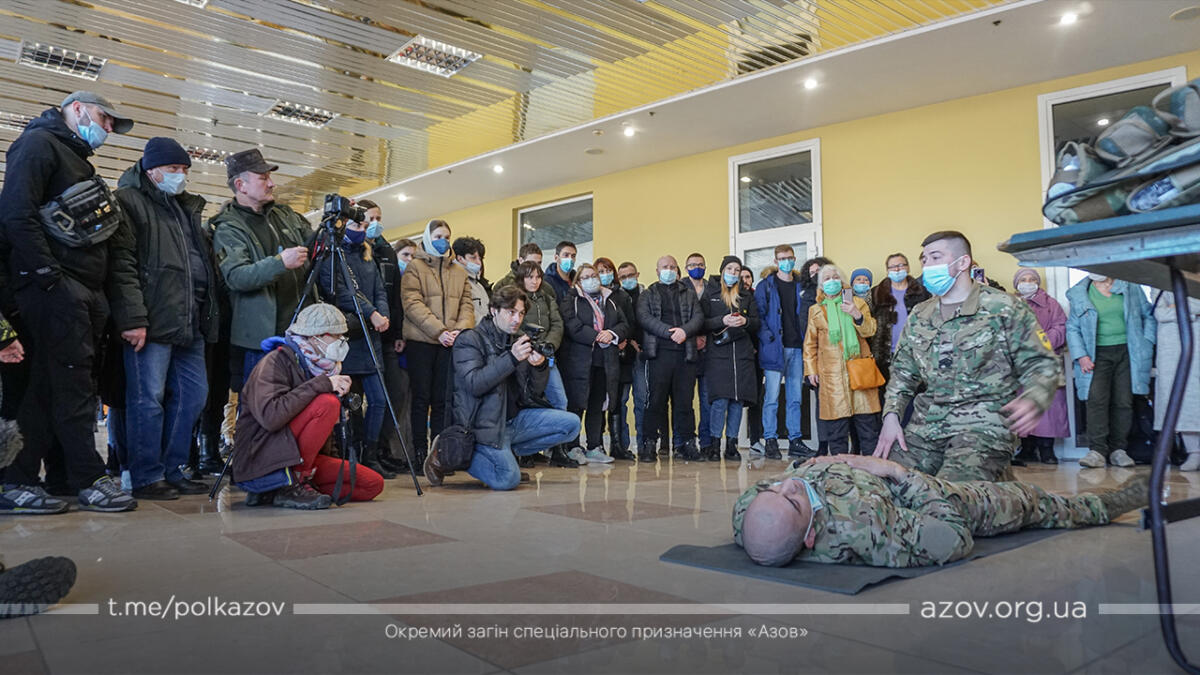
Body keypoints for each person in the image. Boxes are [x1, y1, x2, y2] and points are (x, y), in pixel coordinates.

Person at [0, 91, 140, 514]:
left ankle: (45, 477)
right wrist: (49, 275)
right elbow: (16, 214)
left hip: (77, 292)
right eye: (104, 117)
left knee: (58, 387)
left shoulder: (75, 158)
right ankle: (77, 478)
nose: (108, 128)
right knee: (62, 387)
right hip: (54, 290)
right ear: (76, 108)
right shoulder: (38, 144)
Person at [732, 453, 1147, 568]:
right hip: (921, 495)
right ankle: (1106, 504)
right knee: (1027, 501)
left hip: (860, 470)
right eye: (792, 499)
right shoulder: (867, 531)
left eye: (774, 489)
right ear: (810, 536)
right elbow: (953, 537)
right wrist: (897, 472)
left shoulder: (750, 513)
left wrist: (805, 470)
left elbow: (783, 485)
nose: (787, 486)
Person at [874, 231, 1061, 482]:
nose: (927, 265)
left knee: (952, 495)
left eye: (935, 257)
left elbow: (1042, 362)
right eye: (924, 259)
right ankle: (997, 487)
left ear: (963, 262)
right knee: (885, 486)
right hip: (927, 426)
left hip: (982, 427)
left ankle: (996, 487)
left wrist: (1034, 398)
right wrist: (891, 417)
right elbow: (903, 373)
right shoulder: (920, 314)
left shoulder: (1003, 307)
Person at [112, 137, 215, 500]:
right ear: (151, 170)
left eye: (185, 169)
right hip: (151, 319)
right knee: (147, 399)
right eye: (173, 169)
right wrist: (132, 317)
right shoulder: (129, 201)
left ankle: (173, 468)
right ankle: (146, 475)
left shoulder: (185, 208)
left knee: (193, 396)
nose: (180, 175)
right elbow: (122, 264)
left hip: (189, 319)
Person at [424, 286, 581, 490]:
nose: (517, 319)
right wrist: (511, 358)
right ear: (494, 310)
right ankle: (447, 454)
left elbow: (533, 392)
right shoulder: (470, 340)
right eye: (510, 312)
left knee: (572, 424)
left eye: (521, 313)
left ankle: (501, 459)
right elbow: (475, 384)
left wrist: (539, 367)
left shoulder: (517, 339)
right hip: (482, 428)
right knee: (507, 480)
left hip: (513, 421)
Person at [233, 303, 383, 508]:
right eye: (336, 336)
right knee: (327, 403)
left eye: (343, 336)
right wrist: (322, 385)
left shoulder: (324, 367)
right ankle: (290, 484)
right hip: (264, 452)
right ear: (315, 337)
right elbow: (270, 417)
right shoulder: (275, 361)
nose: (342, 341)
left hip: (302, 455)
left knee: (372, 484)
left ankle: (277, 489)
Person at [211, 149, 313, 394]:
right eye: (263, 178)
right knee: (260, 406)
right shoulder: (228, 227)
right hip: (259, 340)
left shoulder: (286, 216)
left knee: (298, 403)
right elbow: (237, 276)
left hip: (299, 334)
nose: (271, 183)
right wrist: (280, 263)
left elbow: (317, 248)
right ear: (240, 185)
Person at [316, 212, 394, 479]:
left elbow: (380, 290)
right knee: (350, 403)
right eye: (357, 224)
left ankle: (370, 455)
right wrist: (371, 313)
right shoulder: (332, 256)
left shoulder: (367, 255)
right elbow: (341, 291)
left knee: (379, 400)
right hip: (348, 337)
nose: (363, 229)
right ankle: (352, 454)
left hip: (371, 335)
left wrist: (382, 315)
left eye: (364, 225)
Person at [400, 219, 473, 465]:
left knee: (443, 400)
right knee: (421, 399)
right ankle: (420, 451)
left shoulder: (459, 272)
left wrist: (458, 331)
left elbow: (467, 305)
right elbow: (412, 304)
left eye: (447, 237)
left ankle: (439, 453)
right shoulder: (415, 267)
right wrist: (439, 331)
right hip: (422, 342)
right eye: (438, 236)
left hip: (450, 343)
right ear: (428, 238)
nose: (443, 241)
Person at [1066, 274, 1156, 469]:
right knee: (1096, 400)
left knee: (1123, 401)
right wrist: (1081, 355)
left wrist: (1147, 342)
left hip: (1127, 352)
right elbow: (1072, 328)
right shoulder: (1080, 293)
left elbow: (1148, 315)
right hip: (1095, 354)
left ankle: (1118, 450)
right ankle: (1097, 451)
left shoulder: (1130, 286)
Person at [754, 246, 825, 461]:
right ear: (776, 261)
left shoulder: (801, 285)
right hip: (775, 349)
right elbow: (759, 316)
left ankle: (795, 440)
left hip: (797, 348)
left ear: (794, 259)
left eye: (790, 258)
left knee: (795, 398)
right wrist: (768, 338)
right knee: (772, 398)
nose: (786, 261)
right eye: (782, 258)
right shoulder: (766, 286)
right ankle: (770, 440)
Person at [804, 265, 882, 455]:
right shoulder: (815, 310)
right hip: (831, 376)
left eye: (835, 277)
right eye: (827, 278)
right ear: (821, 285)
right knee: (836, 431)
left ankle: (872, 469)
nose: (832, 281)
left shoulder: (857, 303)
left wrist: (856, 314)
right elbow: (810, 344)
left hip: (859, 372)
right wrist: (811, 370)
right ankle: (841, 470)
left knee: (868, 429)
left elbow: (870, 330)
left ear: (842, 281)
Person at [359, 203, 413, 474]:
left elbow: (394, 297)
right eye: (371, 218)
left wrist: (398, 331)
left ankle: (380, 449)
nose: (376, 223)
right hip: (359, 334)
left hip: (388, 335)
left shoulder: (387, 251)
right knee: (364, 398)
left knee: (393, 393)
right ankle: (360, 451)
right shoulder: (353, 250)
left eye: (379, 218)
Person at [636, 255, 705, 462]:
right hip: (658, 354)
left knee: (685, 402)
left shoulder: (688, 293)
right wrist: (669, 332)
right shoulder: (648, 294)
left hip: (685, 354)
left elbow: (698, 317)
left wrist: (684, 331)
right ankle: (649, 444)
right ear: (657, 271)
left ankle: (687, 444)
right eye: (665, 267)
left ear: (678, 270)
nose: (669, 270)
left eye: (672, 267)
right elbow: (644, 318)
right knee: (655, 401)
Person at [559, 264, 628, 464]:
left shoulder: (610, 299)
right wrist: (597, 336)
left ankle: (594, 446)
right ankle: (572, 446)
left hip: (604, 359)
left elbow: (624, 324)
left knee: (596, 404)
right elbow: (572, 326)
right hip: (579, 360)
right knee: (577, 404)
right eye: (586, 277)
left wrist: (612, 334)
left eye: (594, 275)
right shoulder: (571, 299)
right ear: (578, 281)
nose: (592, 279)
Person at [700, 256, 759, 461]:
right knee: (720, 400)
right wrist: (721, 320)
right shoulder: (710, 294)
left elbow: (756, 322)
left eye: (737, 270)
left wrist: (745, 321)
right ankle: (715, 444)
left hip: (742, 354)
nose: (733, 273)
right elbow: (702, 322)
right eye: (730, 269)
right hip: (718, 354)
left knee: (737, 401)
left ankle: (732, 445)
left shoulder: (746, 296)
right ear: (722, 270)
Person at [1012, 268, 1069, 466]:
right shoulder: (1012, 303)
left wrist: (1041, 342)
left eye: (1032, 279)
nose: (1028, 283)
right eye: (1023, 279)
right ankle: (1027, 448)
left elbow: (1060, 328)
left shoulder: (1051, 304)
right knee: (1024, 403)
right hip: (1021, 361)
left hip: (1047, 360)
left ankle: (1047, 449)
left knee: (1050, 406)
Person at [595, 257, 637, 460]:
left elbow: (629, 323)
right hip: (599, 356)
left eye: (608, 270)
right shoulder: (591, 296)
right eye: (600, 271)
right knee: (598, 401)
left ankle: (618, 445)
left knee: (617, 401)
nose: (605, 274)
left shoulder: (621, 296)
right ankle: (597, 443)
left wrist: (621, 338)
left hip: (621, 356)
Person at [1153, 292, 1200, 471]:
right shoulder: (1160, 283)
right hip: (1171, 344)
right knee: (1181, 396)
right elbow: (1160, 313)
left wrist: (1176, 307)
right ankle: (1194, 451)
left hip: (1196, 339)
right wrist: (1193, 311)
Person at [869, 253, 930, 384]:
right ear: (887, 270)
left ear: (908, 268)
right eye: (892, 267)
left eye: (901, 265)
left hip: (915, 356)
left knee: (915, 394)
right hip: (885, 357)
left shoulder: (922, 292)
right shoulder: (876, 293)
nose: (897, 269)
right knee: (887, 394)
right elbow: (868, 324)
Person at [683, 253, 716, 456]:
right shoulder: (680, 287)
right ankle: (687, 442)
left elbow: (717, 315)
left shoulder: (713, 288)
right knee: (685, 401)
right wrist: (692, 336)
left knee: (707, 400)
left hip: (709, 351)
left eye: (701, 264)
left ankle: (706, 443)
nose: (697, 267)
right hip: (685, 351)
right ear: (686, 268)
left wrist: (704, 335)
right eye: (693, 264)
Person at [616, 261, 648, 454]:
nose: (627, 279)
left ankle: (644, 445)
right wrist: (628, 340)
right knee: (620, 402)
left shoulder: (647, 296)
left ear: (637, 275)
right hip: (622, 356)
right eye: (623, 277)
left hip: (643, 355)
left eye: (630, 275)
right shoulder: (616, 297)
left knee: (642, 401)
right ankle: (622, 446)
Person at [453, 236, 488, 326]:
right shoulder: (454, 281)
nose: (478, 263)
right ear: (460, 258)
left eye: (480, 258)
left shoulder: (478, 285)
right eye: (473, 258)